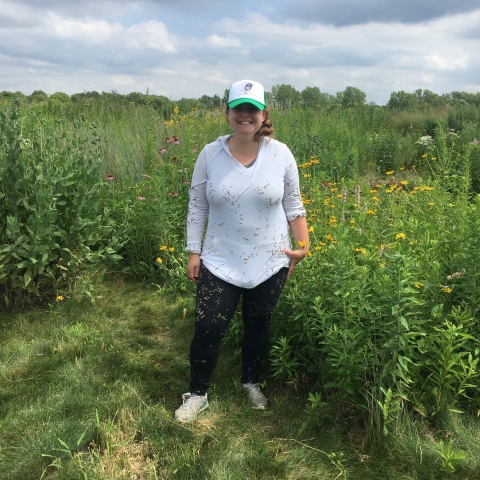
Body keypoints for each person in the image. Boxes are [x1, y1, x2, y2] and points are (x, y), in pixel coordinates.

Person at [174, 79, 309, 422]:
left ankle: (251, 381)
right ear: (228, 113)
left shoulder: (281, 154)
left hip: (270, 259)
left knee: (258, 324)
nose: (245, 115)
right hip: (220, 259)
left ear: (264, 114)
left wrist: (303, 246)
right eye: (239, 109)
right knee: (208, 326)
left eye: (253, 109)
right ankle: (198, 393)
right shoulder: (210, 154)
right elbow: (197, 206)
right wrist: (194, 251)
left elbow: (294, 204)